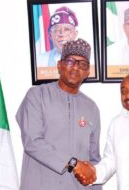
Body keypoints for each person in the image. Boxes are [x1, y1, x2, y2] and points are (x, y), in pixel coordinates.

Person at [16, 38, 102, 190]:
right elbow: (32, 142)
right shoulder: (37, 95)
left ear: (87, 72)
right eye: (70, 61)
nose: (75, 67)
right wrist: (73, 164)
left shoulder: (91, 108)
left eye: (82, 64)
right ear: (59, 65)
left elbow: (93, 160)